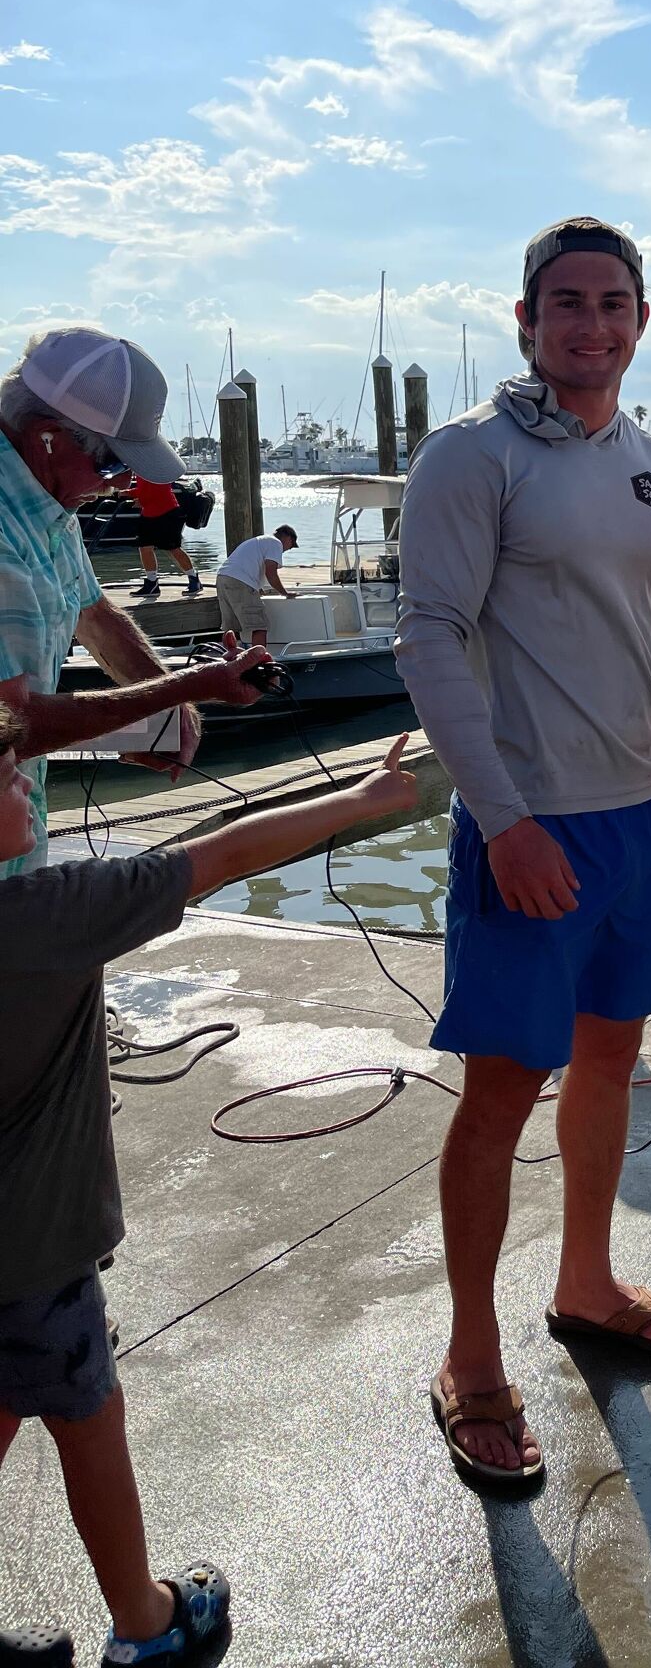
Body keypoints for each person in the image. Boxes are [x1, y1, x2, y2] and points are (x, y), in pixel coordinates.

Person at [396, 216, 651, 1487]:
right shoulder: (472, 459)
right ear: (527, 320)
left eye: (613, 302)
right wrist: (503, 819)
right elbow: (429, 639)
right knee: (501, 1092)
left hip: (641, 818)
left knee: (612, 1056)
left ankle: (586, 1281)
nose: (590, 323)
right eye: (566, 303)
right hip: (527, 822)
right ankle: (471, 1356)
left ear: (641, 321)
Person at [0, 705, 419, 1667]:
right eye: (5, 775)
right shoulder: (46, 916)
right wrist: (355, 801)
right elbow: (216, 856)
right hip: (33, 1254)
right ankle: (147, 1626)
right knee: (84, 1408)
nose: (26, 781)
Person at [0, 328, 272, 882]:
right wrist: (188, 688)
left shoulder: (45, 498)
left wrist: (166, 713)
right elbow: (11, 725)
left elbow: (95, 615)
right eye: (112, 464)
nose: (123, 483)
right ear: (49, 437)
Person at [214, 526, 298, 649]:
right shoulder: (275, 543)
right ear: (288, 537)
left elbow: (250, 564)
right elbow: (271, 572)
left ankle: (229, 659)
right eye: (291, 545)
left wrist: (257, 588)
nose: (288, 549)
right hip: (240, 581)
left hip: (223, 577)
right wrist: (284, 593)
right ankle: (258, 660)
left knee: (230, 627)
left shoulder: (260, 541)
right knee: (259, 626)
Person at [128, 476, 201, 600]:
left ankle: (193, 578)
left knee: (172, 548)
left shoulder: (158, 469)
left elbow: (157, 491)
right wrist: (126, 493)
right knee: (145, 548)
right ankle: (152, 583)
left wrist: (139, 498)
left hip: (167, 512)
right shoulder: (140, 470)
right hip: (148, 513)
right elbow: (143, 489)